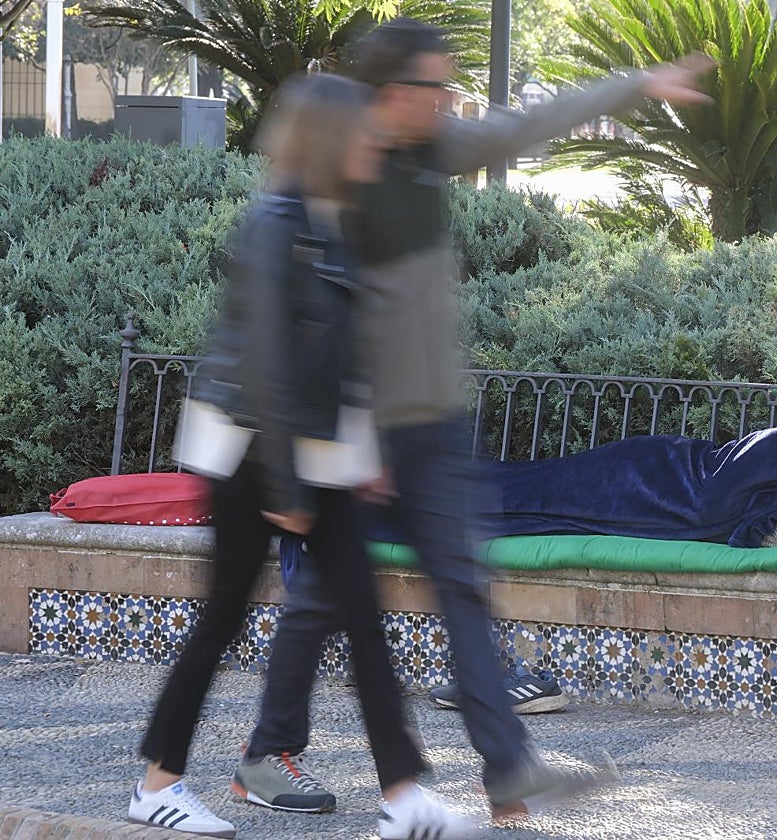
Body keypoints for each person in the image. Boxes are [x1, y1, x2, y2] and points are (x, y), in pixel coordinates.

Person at [229, 17, 714, 825]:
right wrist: (354, 432)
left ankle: (507, 771)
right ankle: (266, 751)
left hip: (436, 426)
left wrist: (635, 86)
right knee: (325, 597)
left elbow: (526, 122)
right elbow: (308, 320)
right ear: (393, 94)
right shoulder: (341, 172)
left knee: (463, 584)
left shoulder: (431, 154)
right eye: (437, 85)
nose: (453, 98)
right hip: (363, 429)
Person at [126, 73, 474, 840]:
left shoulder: (332, 219)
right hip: (257, 452)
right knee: (220, 620)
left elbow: (345, 354)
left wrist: (366, 447)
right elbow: (265, 365)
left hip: (317, 451)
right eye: (364, 133)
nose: (377, 142)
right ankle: (157, 784)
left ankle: (406, 798)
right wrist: (285, 483)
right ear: (329, 140)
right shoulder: (276, 222)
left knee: (363, 618)